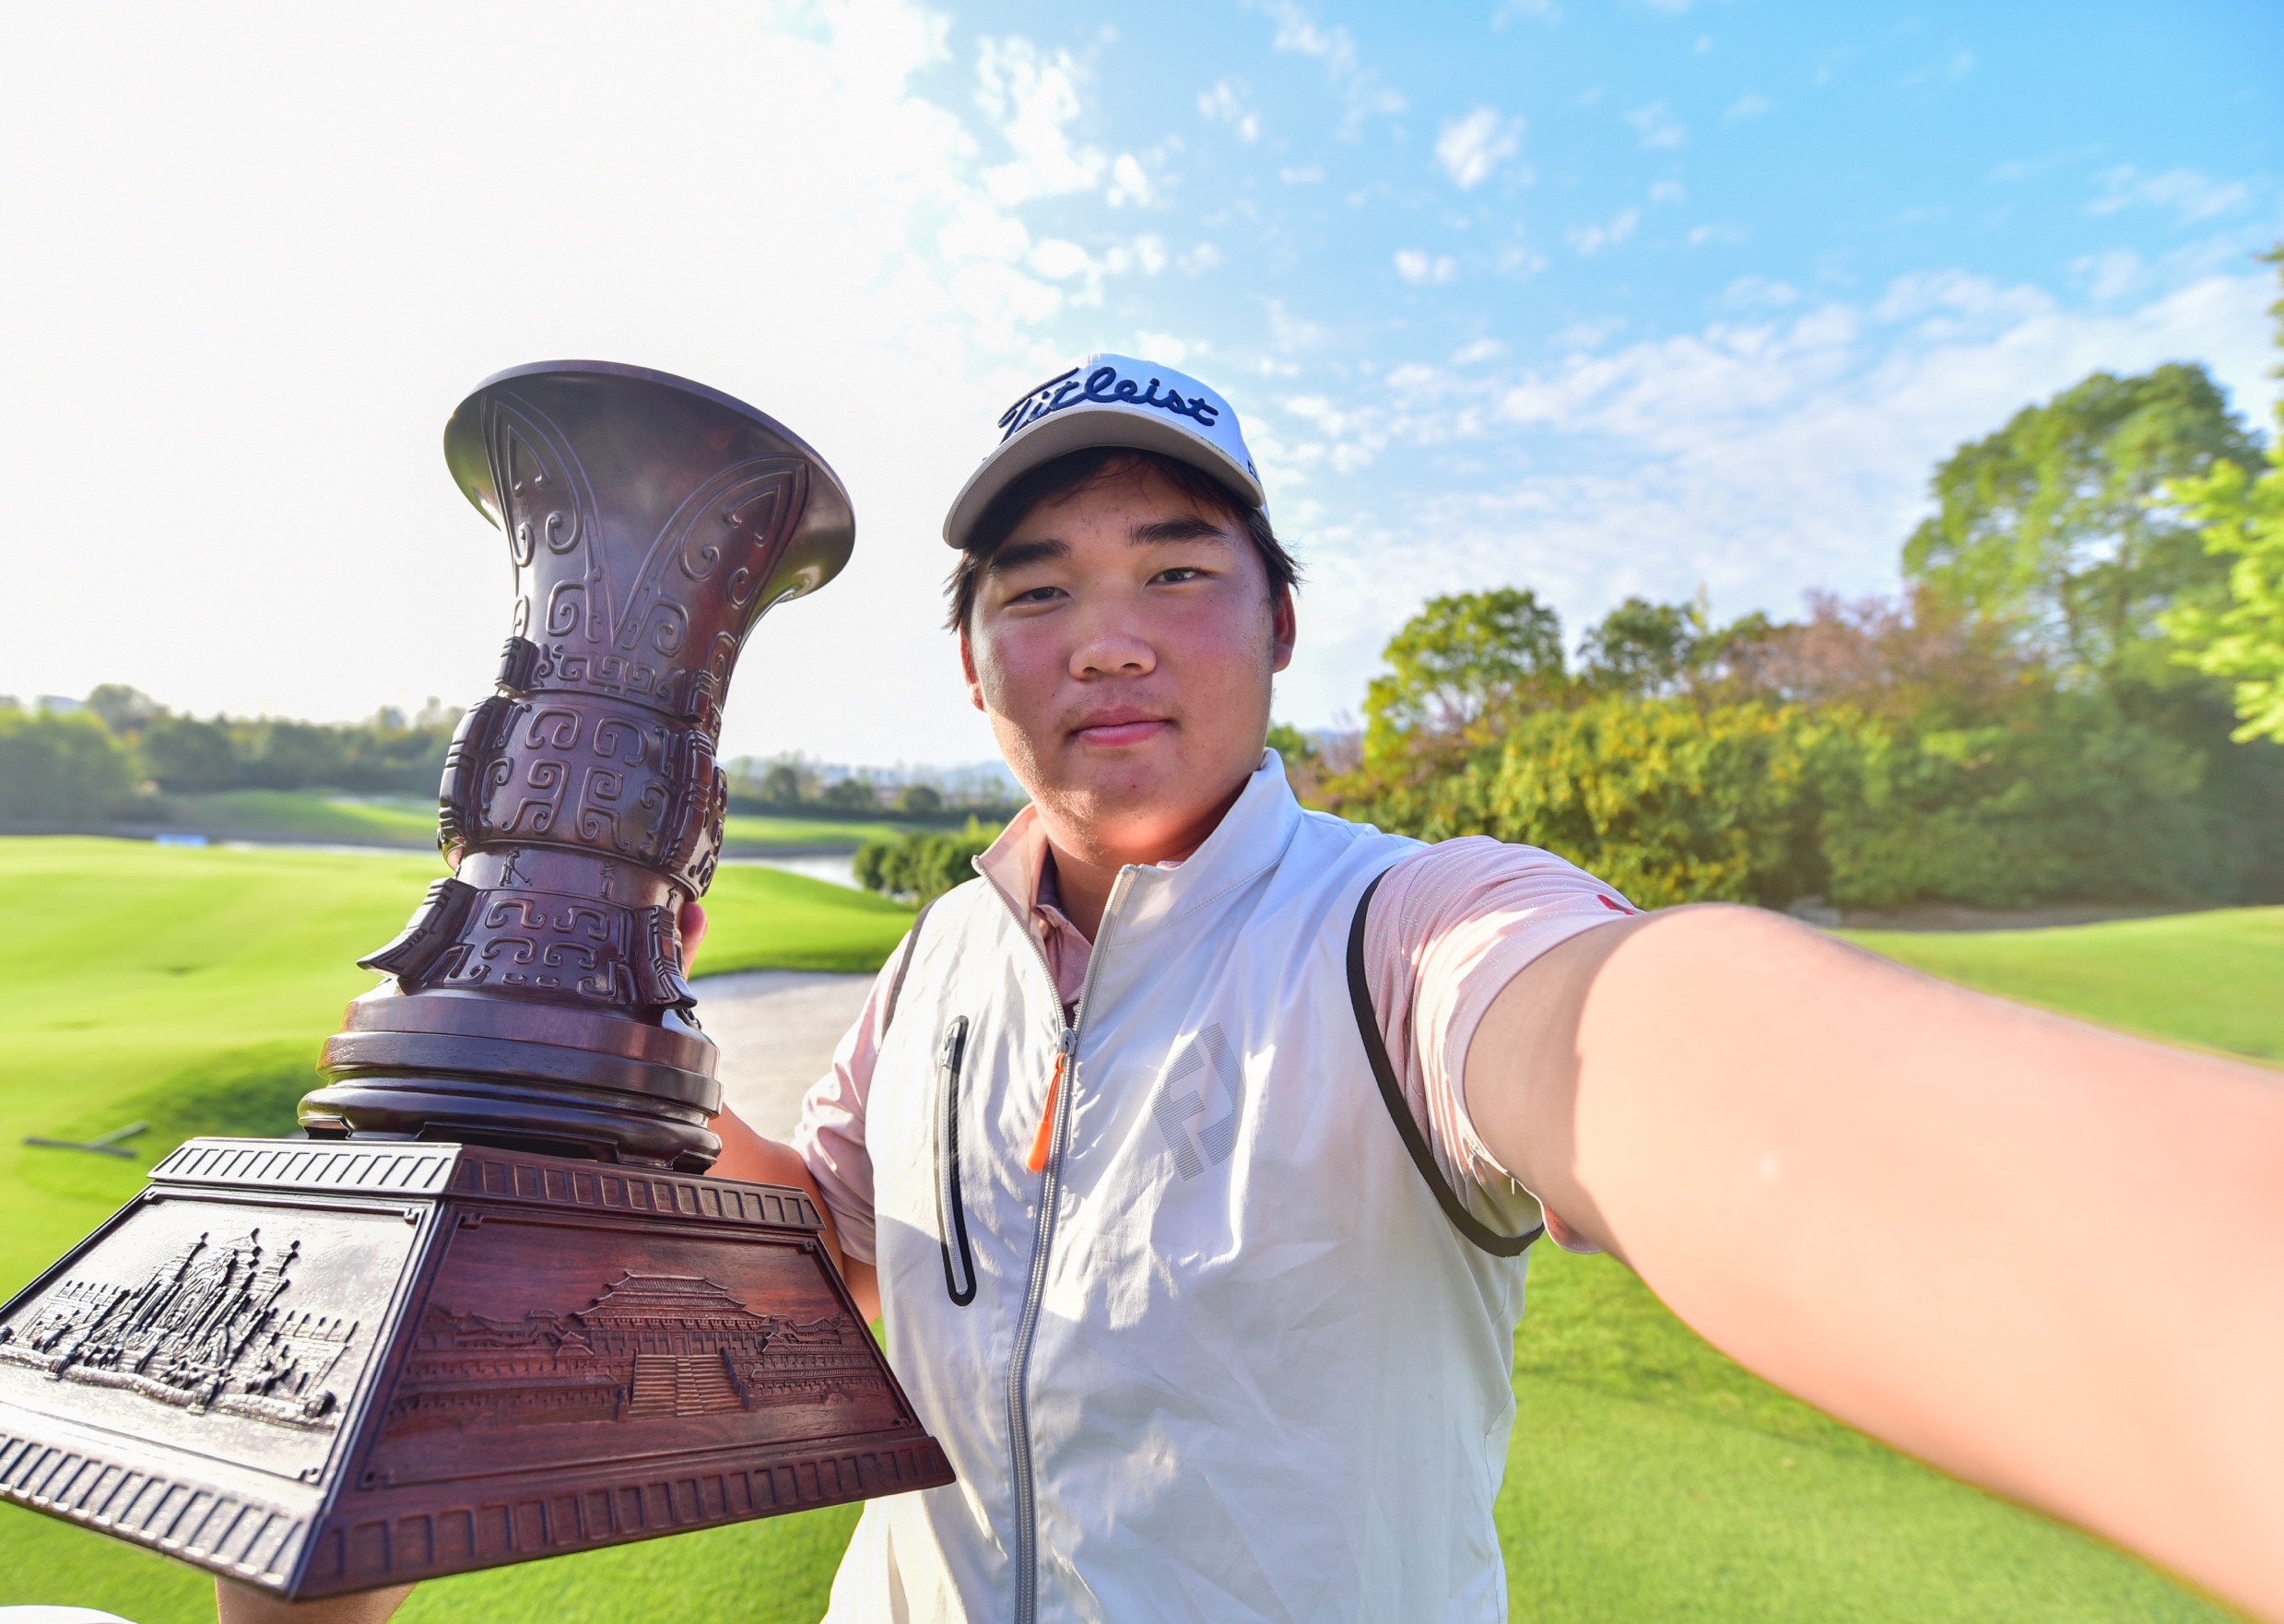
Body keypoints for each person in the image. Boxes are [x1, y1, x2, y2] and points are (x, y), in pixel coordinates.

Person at [224, 355, 2284, 1624]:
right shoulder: (938, 953)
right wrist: (603, 1054)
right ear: (972, 667)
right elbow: (822, 1252)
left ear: (1281, 628)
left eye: (1176, 570)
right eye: (1037, 590)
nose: (1104, 636)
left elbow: (1624, 1039)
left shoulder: (1412, 932)